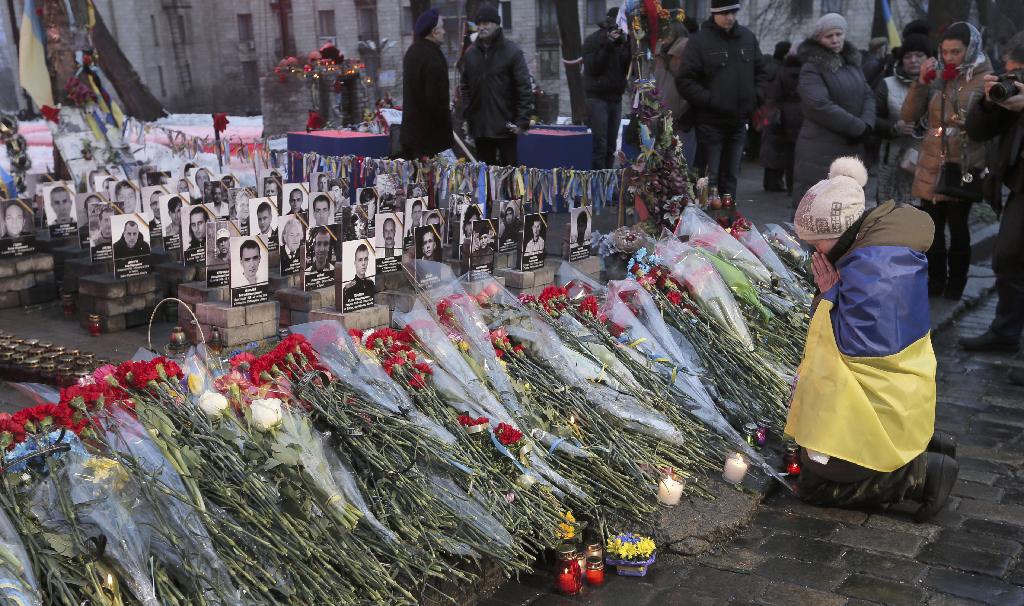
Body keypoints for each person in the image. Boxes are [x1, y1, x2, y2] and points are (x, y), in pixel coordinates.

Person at [786, 156, 957, 520]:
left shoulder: (873, 270)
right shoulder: (879, 248)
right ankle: (921, 446)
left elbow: (848, 350)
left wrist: (828, 294)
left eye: (818, 246)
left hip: (881, 403)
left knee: (815, 483)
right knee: (808, 455)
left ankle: (919, 475)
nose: (816, 254)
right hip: (902, 399)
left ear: (839, 234)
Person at [901, 22, 992, 300]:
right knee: (931, 227)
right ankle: (935, 280)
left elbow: (984, 124)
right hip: (930, 160)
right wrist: (922, 83)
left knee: (958, 225)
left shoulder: (984, 78)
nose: (950, 57)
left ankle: (956, 285)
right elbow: (908, 115)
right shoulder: (938, 76)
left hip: (962, 164)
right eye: (945, 51)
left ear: (970, 49)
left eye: (956, 52)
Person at [959, 35, 1024, 375]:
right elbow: (978, 131)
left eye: (1019, 72)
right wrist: (987, 102)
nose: (1014, 78)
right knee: (1007, 257)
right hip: (1018, 185)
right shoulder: (1012, 94)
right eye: (1010, 71)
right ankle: (1005, 331)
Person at [675, 0, 768, 198]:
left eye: (733, 12)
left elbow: (761, 73)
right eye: (724, 13)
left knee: (731, 177)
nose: (730, 17)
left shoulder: (747, 37)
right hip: (710, 124)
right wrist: (710, 100)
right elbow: (685, 81)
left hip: (739, 122)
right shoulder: (700, 41)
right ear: (714, 13)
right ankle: (707, 223)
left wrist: (755, 97)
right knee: (709, 178)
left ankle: (728, 222)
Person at [792, 13, 875, 207]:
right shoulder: (812, 67)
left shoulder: (852, 64)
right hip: (820, 149)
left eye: (838, 34)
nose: (835, 39)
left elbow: (868, 94)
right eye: (829, 36)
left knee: (847, 208)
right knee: (819, 209)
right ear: (819, 39)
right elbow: (819, 105)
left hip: (851, 148)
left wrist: (867, 124)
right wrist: (857, 127)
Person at [459, 3, 532, 166]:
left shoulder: (512, 52)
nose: (481, 27)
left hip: (506, 127)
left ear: (497, 24)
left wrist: (522, 121)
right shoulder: (471, 54)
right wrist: (469, 113)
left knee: (510, 177)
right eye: (479, 24)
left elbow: (524, 88)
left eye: (486, 23)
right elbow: (464, 86)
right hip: (481, 128)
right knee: (485, 180)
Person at [874, 34, 932, 206]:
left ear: (929, 58)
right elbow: (873, 118)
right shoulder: (887, 84)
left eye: (919, 55)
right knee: (888, 214)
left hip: (926, 161)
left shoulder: (938, 85)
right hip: (892, 160)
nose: (913, 60)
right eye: (907, 56)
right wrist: (893, 127)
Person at [401, 8, 455, 159]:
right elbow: (435, 101)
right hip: (431, 140)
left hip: (412, 136)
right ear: (433, 31)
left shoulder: (412, 52)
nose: (444, 31)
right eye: (442, 27)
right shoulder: (433, 58)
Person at [582, 8, 630, 170]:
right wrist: (608, 45)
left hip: (615, 97)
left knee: (611, 145)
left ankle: (608, 181)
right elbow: (593, 67)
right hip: (597, 97)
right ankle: (597, 182)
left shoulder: (623, 42)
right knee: (600, 144)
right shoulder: (592, 41)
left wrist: (628, 45)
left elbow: (626, 68)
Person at [653, 19, 695, 167]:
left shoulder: (686, 52)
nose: (663, 37)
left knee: (681, 169)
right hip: (660, 119)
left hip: (681, 120)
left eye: (667, 33)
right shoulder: (658, 53)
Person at [760, 50, 803, 195]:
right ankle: (792, 187)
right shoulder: (806, 72)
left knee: (779, 150)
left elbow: (775, 94)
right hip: (800, 115)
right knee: (796, 154)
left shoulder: (781, 71)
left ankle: (777, 183)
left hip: (782, 115)